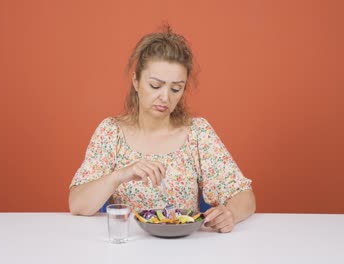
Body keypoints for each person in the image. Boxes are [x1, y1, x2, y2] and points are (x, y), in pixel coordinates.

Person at [69, 25, 255, 233]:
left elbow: (244, 196)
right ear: (136, 82)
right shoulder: (111, 132)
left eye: (176, 89)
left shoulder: (197, 132)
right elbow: (77, 204)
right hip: (129, 249)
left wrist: (230, 214)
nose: (165, 98)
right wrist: (121, 175)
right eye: (155, 86)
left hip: (185, 249)